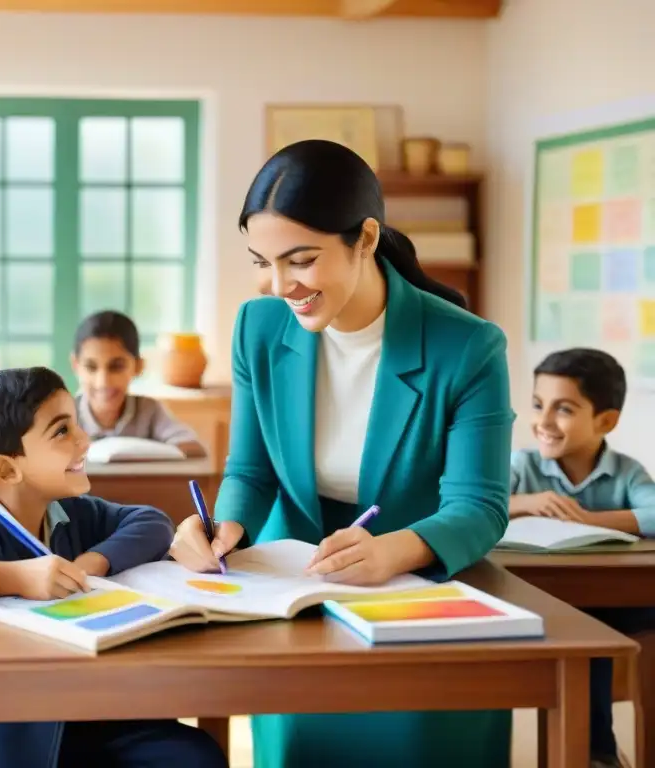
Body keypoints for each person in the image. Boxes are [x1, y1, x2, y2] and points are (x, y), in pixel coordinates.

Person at [169, 140, 515, 768]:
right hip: (293, 590)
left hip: (416, 584)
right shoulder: (258, 327)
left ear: (366, 238)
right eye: (263, 262)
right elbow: (251, 469)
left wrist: (391, 551)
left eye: (301, 260)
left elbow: (480, 507)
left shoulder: (468, 347)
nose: (282, 286)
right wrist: (225, 529)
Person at [0, 367, 227, 768]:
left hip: (81, 708)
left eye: (77, 425)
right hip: (13, 735)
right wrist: (16, 577)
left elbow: (151, 522)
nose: (85, 439)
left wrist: (92, 562)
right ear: (6, 470)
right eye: (62, 432)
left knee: (196, 755)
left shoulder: (65, 509)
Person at [510, 348, 655, 768]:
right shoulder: (523, 466)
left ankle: (604, 752)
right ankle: (596, 752)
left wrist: (592, 520)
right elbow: (480, 503)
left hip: (613, 603)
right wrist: (527, 502)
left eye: (564, 409)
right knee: (582, 635)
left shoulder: (626, 472)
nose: (544, 422)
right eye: (539, 405)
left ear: (605, 421)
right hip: (540, 603)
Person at [71, 310, 206, 457]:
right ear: (76, 365)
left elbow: (194, 448)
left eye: (116, 367)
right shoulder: (65, 415)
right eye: (91, 367)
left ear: (138, 366)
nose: (103, 382)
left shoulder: (149, 411)